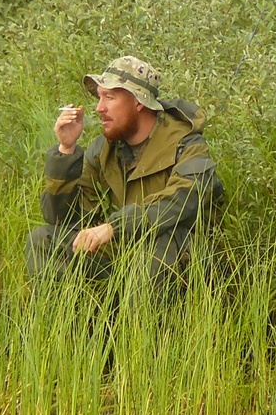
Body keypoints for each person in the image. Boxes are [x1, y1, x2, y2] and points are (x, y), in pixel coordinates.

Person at [26, 55, 223, 292]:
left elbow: (182, 200)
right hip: (124, 256)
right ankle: (79, 324)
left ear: (138, 102)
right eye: (99, 97)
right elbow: (66, 221)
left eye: (109, 97)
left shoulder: (187, 145)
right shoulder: (104, 150)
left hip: (178, 265)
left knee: (160, 242)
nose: (99, 108)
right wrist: (66, 151)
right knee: (43, 240)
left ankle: (149, 327)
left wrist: (114, 228)